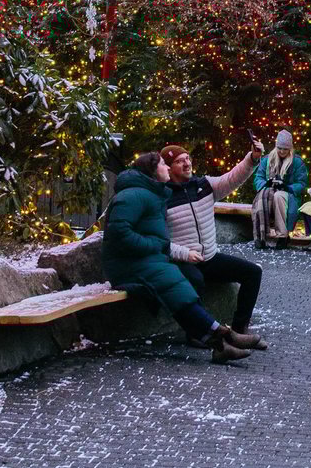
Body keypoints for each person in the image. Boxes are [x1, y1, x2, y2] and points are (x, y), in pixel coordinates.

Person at [100, 152, 264, 363]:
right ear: (153, 171)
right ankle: (221, 336)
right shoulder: (134, 196)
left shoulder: (153, 193)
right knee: (179, 285)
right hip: (132, 265)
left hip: (148, 260)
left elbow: (231, 179)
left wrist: (251, 158)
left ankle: (223, 340)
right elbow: (119, 234)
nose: (167, 168)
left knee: (178, 288)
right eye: (165, 164)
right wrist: (157, 246)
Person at [161, 139, 268, 343]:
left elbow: (232, 178)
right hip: (183, 261)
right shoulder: (162, 198)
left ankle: (238, 330)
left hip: (209, 258)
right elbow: (160, 240)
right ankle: (196, 334)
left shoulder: (204, 186)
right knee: (194, 280)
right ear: (168, 168)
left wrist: (252, 158)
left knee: (253, 272)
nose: (187, 163)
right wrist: (184, 254)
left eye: (188, 158)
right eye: (180, 161)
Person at [251, 129, 309, 249]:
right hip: (269, 190)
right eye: (280, 148)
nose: (282, 151)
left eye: (285, 149)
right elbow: (258, 178)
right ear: (276, 147)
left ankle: (283, 236)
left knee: (278, 196)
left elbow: (302, 183)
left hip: (289, 194)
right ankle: (260, 236)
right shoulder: (267, 159)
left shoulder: (297, 162)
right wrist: (266, 184)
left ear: (290, 149)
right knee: (262, 196)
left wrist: (286, 187)